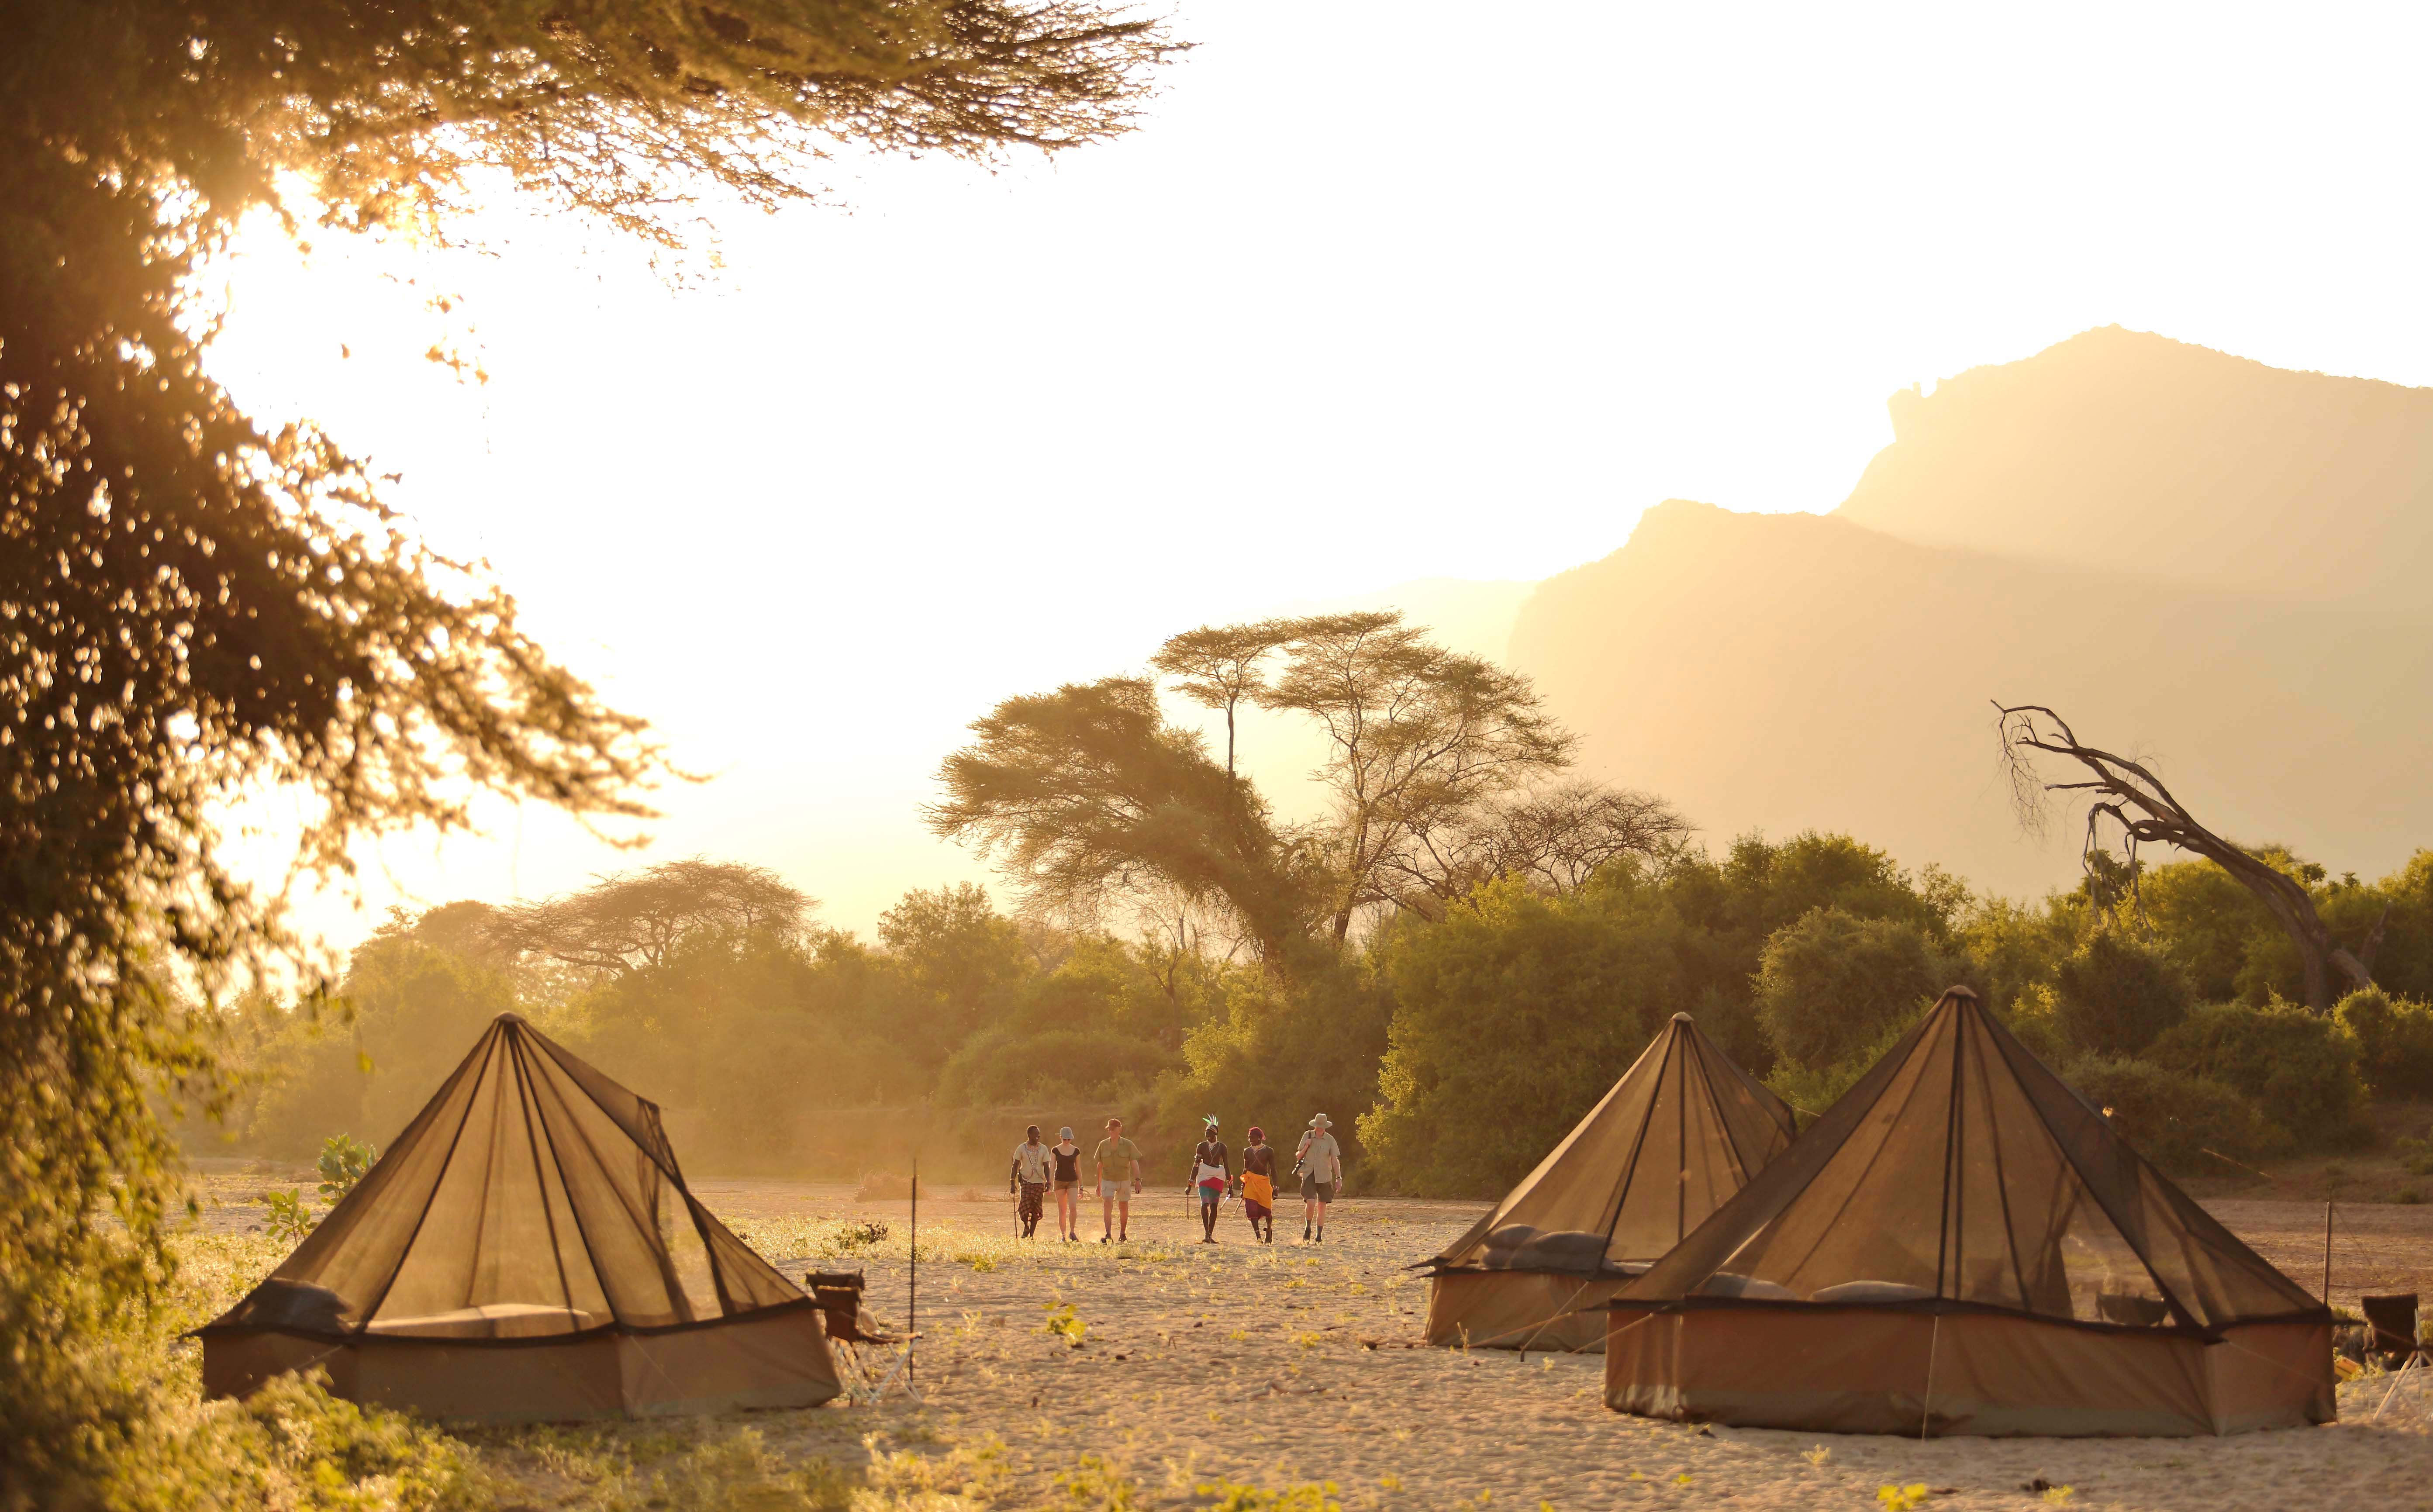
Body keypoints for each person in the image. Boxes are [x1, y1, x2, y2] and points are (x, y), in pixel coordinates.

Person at [1294, 1113, 1344, 1243]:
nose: (1320, 1129)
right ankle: (1308, 1228)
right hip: (1309, 1174)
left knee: (1322, 1206)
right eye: (1318, 1126)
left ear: (1326, 1127)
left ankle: (1319, 1235)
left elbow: (1335, 1160)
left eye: (1322, 1127)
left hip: (1325, 1176)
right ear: (1315, 1126)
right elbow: (1299, 1156)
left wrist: (1339, 1178)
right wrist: (1306, 1146)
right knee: (1310, 1202)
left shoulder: (1330, 1140)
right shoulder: (1308, 1135)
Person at [1093, 1116, 1143, 1243]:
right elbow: (1100, 1165)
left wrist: (1138, 1181)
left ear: (1119, 1130)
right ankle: (1108, 1234)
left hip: (1124, 1180)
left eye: (1113, 1129)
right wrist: (1098, 1185)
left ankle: (1123, 1234)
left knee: (1123, 1206)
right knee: (1108, 1203)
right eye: (1109, 1129)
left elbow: (1135, 1164)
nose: (1111, 1131)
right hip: (1107, 1179)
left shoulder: (1128, 1144)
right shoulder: (1103, 1145)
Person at [1187, 1115, 1232, 1243]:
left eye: (1209, 1133)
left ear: (1215, 1133)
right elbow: (1196, 1164)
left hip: (1217, 1177)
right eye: (1206, 1132)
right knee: (1205, 1203)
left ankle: (1210, 1234)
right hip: (1204, 1177)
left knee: (1214, 1206)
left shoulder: (1222, 1147)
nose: (1207, 1135)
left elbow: (1227, 1165)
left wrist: (1229, 1184)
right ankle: (1206, 1233)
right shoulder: (1201, 1146)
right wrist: (1190, 1182)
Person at [1009, 1125, 1053, 1239]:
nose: (1038, 1135)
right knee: (1024, 1208)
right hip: (1026, 1183)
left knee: (1036, 1210)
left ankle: (1032, 1236)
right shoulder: (1022, 1148)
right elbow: (1015, 1165)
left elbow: (1046, 1166)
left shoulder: (1043, 1149)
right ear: (1029, 1135)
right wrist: (1012, 1182)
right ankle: (1026, 1227)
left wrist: (1048, 1182)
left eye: (1039, 1133)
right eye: (1036, 1134)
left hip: (1039, 1183)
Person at [1239, 1125, 1278, 1244]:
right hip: (1250, 1182)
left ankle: (1269, 1231)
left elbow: (1273, 1169)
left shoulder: (1269, 1151)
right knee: (1252, 1210)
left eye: (1253, 1138)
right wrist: (1243, 1186)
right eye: (1249, 1138)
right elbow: (1245, 1169)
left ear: (1260, 1138)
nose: (1250, 1140)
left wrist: (1275, 1187)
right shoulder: (1247, 1151)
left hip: (1264, 1182)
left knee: (1267, 1210)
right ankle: (1258, 1237)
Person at [1050, 1126, 1083, 1241]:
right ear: (1061, 1138)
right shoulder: (1055, 1150)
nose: (1066, 1141)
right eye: (1065, 1139)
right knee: (1062, 1209)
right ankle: (1063, 1235)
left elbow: (1078, 1169)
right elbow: (1052, 1168)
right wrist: (1050, 1183)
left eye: (1068, 1139)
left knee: (1073, 1207)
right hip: (1059, 1181)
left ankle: (1072, 1232)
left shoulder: (1076, 1151)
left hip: (1072, 1181)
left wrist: (1081, 1186)